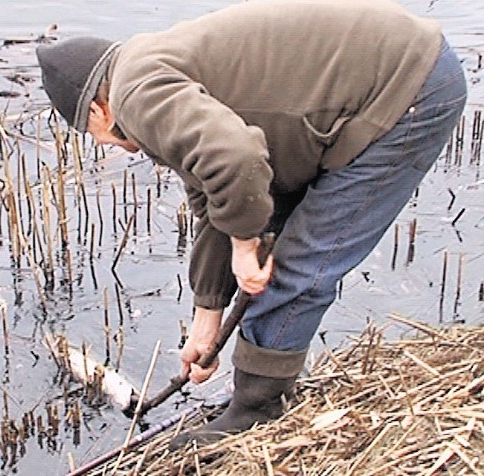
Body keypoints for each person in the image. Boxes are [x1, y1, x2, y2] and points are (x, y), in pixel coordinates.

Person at [36, 0, 467, 449]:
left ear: (96, 112)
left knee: (299, 262)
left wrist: (245, 245)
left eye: (95, 135)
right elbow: (212, 201)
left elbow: (236, 159)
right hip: (387, 72)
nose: (117, 148)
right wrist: (208, 317)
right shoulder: (147, 67)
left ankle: (255, 411)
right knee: (262, 229)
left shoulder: (135, 94)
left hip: (406, 87)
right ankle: (257, 388)